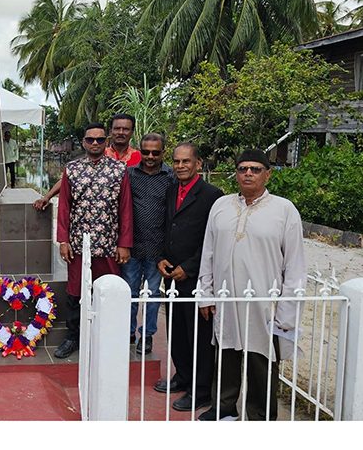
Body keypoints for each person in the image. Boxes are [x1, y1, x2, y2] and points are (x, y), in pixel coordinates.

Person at [197, 149, 306, 421]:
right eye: (243, 168)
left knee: (262, 362)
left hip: (264, 303)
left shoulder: (284, 210)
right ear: (236, 173)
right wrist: (206, 294)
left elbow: (294, 265)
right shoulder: (221, 206)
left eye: (255, 169)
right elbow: (207, 253)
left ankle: (259, 418)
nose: (248, 173)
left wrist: (287, 311)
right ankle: (223, 410)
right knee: (225, 356)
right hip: (226, 299)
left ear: (267, 174)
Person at [152, 142, 223, 412]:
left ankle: (201, 390)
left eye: (186, 162)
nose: (181, 166)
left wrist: (190, 267)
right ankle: (182, 375)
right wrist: (160, 257)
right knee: (177, 330)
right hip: (170, 273)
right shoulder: (171, 190)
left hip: (196, 276)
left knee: (199, 335)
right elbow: (165, 226)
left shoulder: (212, 195)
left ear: (198, 164)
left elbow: (211, 239)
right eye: (177, 162)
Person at [54, 122, 132, 359]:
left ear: (106, 141)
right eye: (90, 140)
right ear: (84, 142)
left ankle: (108, 339)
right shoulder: (72, 169)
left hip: (108, 243)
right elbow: (65, 206)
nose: (95, 144)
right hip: (80, 244)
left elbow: (126, 209)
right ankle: (73, 337)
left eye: (100, 140)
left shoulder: (119, 170)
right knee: (76, 291)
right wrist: (63, 240)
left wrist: (124, 243)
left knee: (108, 291)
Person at [122, 133, 174, 355]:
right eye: (146, 152)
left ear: (163, 152)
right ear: (140, 151)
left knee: (153, 295)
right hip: (132, 246)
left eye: (155, 152)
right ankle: (128, 332)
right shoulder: (129, 174)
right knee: (130, 293)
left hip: (158, 248)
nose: (150, 156)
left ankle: (148, 335)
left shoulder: (171, 176)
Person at [33, 113, 141, 210]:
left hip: (131, 211)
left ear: (132, 132)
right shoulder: (97, 155)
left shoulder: (140, 158)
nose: (121, 132)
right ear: (110, 131)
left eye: (126, 129)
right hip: (100, 213)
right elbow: (70, 177)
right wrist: (47, 197)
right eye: (117, 128)